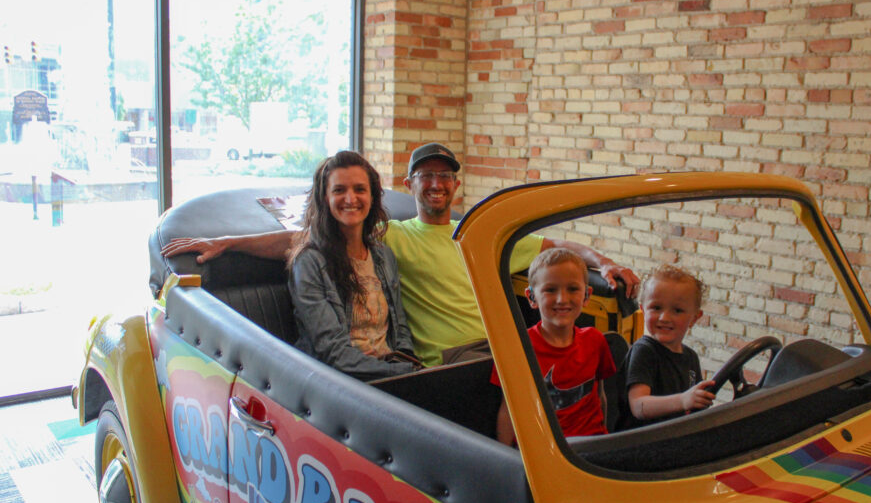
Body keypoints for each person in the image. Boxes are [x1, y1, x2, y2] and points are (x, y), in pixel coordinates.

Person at [161, 142, 640, 367]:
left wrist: (605, 262)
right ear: (409, 186)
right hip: (449, 359)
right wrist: (229, 243)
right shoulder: (394, 236)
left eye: (444, 176)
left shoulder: (475, 233)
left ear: (456, 184)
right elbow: (306, 241)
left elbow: (558, 248)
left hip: (496, 346)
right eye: (424, 177)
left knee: (597, 353)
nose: (435, 185)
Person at [287, 151, 418, 380]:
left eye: (359, 189)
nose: (350, 199)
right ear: (325, 198)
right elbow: (333, 352)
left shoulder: (383, 255)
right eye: (339, 190)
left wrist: (408, 366)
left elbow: (401, 329)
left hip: (390, 373)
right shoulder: (309, 262)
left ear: (372, 196)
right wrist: (401, 372)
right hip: (343, 382)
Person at [493, 248, 616, 445]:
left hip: (593, 448)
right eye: (550, 290)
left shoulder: (595, 341)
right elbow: (508, 411)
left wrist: (606, 443)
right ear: (532, 297)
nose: (562, 299)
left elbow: (600, 397)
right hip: (544, 453)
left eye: (573, 289)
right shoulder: (518, 347)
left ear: (586, 295)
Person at [626, 264, 716, 425]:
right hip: (642, 441)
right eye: (656, 308)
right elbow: (639, 405)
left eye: (677, 311)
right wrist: (683, 401)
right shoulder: (644, 352)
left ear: (695, 318)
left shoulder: (690, 358)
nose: (664, 318)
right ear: (643, 310)